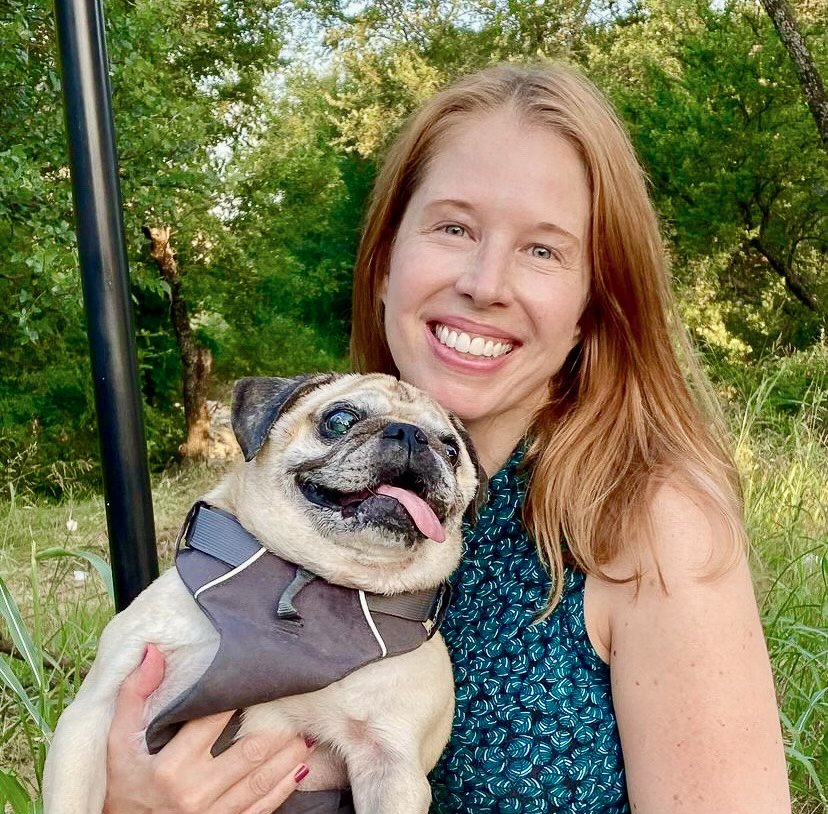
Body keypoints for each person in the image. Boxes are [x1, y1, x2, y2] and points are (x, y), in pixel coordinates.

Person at [101, 63, 791, 813]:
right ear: (383, 264)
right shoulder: (291, 500)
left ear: (593, 305)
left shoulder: (645, 522)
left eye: (543, 250)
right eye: (455, 227)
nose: (486, 282)